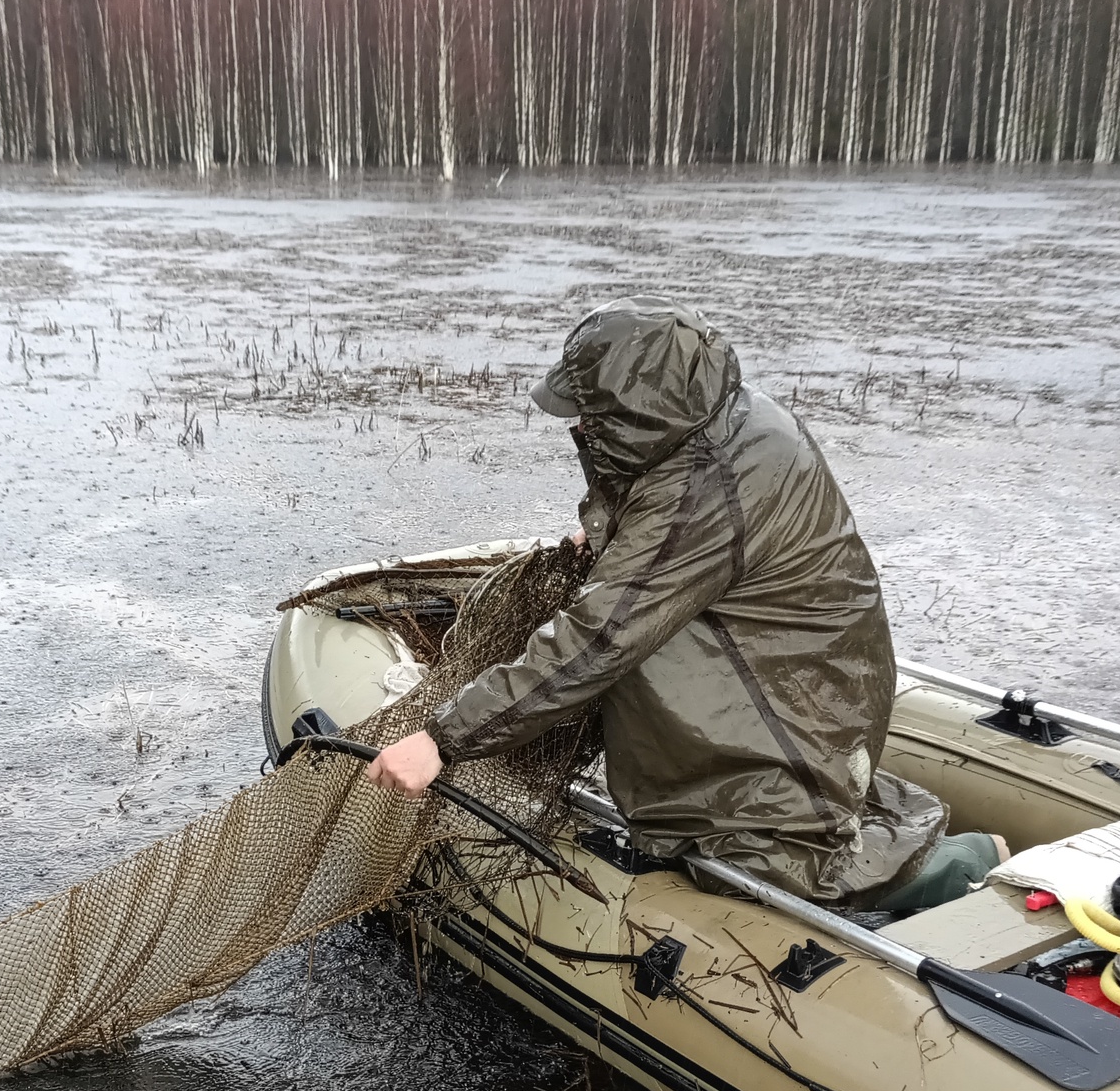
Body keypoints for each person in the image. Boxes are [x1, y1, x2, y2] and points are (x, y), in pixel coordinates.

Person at [364, 297, 1000, 916]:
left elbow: (602, 634)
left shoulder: (704, 489)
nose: (577, 426)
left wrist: (445, 740)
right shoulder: (728, 422)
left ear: (639, 411)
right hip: (809, 669)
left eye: (591, 412)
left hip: (801, 693)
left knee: (756, 860)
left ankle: (963, 865)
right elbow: (665, 518)